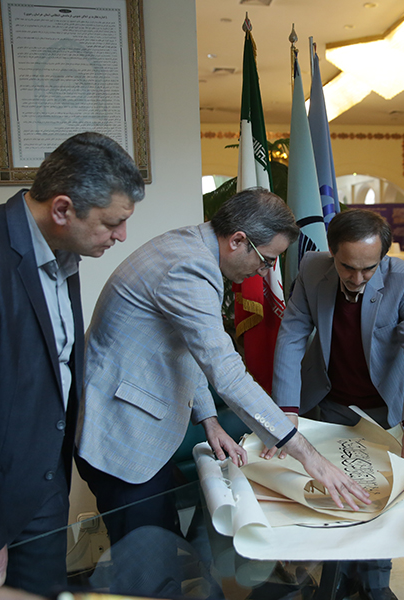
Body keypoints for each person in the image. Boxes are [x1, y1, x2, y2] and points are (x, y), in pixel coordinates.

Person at [75, 188, 371, 544]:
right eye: (267, 260)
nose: (265, 271)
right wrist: (309, 456)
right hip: (124, 440)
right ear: (238, 240)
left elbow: (188, 346)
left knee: (169, 549)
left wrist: (209, 420)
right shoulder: (190, 269)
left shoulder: (190, 247)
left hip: (136, 431)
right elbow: (225, 372)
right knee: (149, 559)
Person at [0, 132, 145, 595]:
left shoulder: (65, 250)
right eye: (112, 223)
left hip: (46, 488)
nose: (121, 236)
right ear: (62, 209)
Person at [269, 209, 404, 600]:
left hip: (384, 409)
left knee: (380, 498)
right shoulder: (312, 269)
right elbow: (291, 336)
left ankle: (375, 587)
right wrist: (287, 410)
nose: (358, 278)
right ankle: (338, 582)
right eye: (348, 267)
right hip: (332, 401)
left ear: (382, 258)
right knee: (335, 494)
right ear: (332, 253)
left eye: (368, 269)